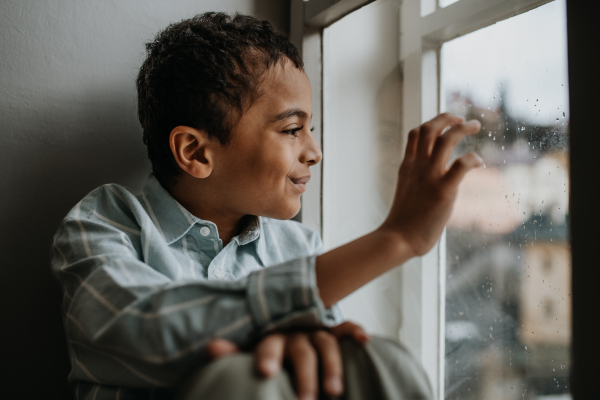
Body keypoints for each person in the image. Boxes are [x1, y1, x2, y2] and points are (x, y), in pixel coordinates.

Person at [51, 12, 483, 400]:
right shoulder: (105, 222)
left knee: (385, 361)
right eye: (293, 129)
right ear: (196, 153)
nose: (314, 151)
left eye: (311, 128)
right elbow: (138, 331)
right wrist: (395, 240)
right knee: (244, 382)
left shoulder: (298, 247)